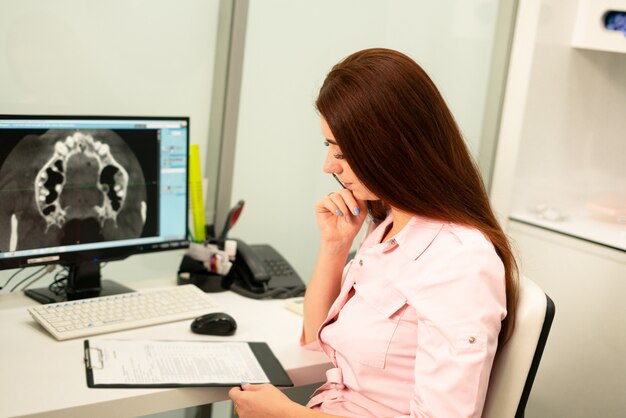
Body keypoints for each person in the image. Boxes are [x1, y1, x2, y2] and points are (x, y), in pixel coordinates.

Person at [229, 47, 519, 418]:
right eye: (328, 145)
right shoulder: (388, 227)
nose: (328, 166)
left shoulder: (459, 260)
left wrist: (286, 414)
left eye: (342, 152)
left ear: (389, 150)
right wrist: (335, 246)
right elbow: (319, 333)